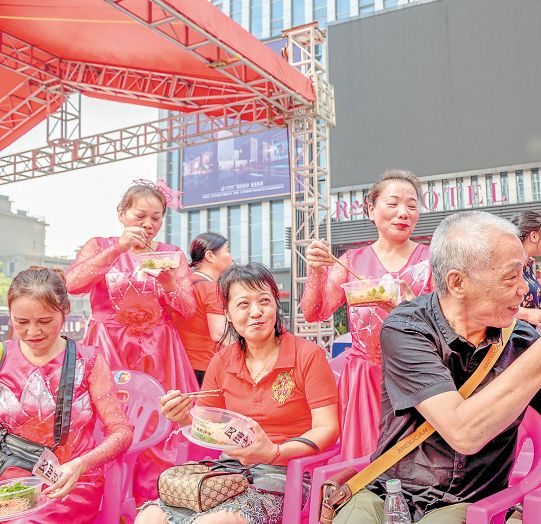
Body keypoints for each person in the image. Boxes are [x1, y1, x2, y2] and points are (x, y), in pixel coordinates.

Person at [334, 211, 541, 523]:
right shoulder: (407, 328)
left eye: (523, 274)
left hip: (472, 502)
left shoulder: (521, 338)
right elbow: (462, 431)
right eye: (511, 277)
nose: (524, 289)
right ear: (458, 282)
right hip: (390, 492)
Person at [136, 263, 339, 524]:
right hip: (227, 474)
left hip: (286, 475)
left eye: (264, 301)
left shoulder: (307, 355)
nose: (256, 312)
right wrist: (184, 417)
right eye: (243, 304)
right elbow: (207, 426)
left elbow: (328, 428)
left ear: (276, 305)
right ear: (228, 314)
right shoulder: (222, 361)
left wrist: (274, 452)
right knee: (149, 518)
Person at [65, 180, 198, 503]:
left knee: (160, 427)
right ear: (122, 214)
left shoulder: (171, 254)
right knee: (110, 424)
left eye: (156, 217)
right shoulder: (100, 245)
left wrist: (169, 284)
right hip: (109, 349)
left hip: (160, 352)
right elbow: (72, 284)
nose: (148, 224)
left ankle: (153, 505)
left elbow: (188, 308)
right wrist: (117, 249)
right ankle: (105, 504)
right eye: (141, 215)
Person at [301, 170, 432, 461]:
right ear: (371, 210)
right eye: (393, 203)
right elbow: (314, 312)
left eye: (412, 206)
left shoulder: (431, 259)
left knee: (416, 460)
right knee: (366, 463)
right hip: (364, 377)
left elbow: (449, 320)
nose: (403, 213)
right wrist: (317, 271)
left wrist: (410, 306)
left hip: (417, 373)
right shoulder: (351, 261)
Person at [1, 267, 132, 523]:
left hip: (67, 483)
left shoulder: (89, 360)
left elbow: (122, 432)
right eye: (21, 322)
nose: (32, 332)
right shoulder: (4, 355)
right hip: (9, 478)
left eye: (45, 321)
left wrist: (80, 464)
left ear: (66, 310)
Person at [173, 233, 234, 385]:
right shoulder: (211, 288)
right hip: (204, 367)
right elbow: (220, 334)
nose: (231, 257)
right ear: (210, 256)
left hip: (181, 365)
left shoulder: (183, 284)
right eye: (228, 251)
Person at [511, 210, 541, 331]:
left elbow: (526, 300)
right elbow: (494, 307)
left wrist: (540, 307)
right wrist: (527, 314)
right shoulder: (509, 265)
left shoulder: (529, 264)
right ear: (534, 236)